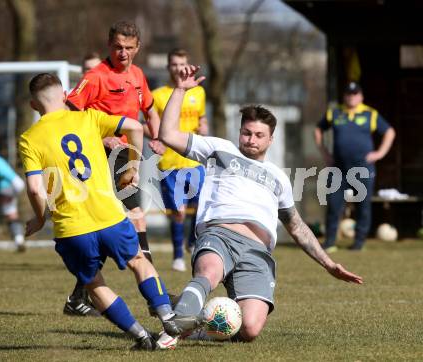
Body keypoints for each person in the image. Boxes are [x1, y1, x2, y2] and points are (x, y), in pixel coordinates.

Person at [160, 66, 363, 343]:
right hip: (218, 235)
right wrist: (181, 90)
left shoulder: (279, 177)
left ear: (270, 138)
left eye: (258, 135)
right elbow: (168, 133)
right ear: (239, 131)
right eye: (246, 133)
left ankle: (191, 320)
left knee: (250, 329)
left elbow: (297, 226)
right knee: (208, 271)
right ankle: (177, 322)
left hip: (257, 252)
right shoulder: (219, 149)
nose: (251, 140)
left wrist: (328, 264)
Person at [19, 73, 180, 350]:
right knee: (139, 261)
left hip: (72, 228)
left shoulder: (29, 138)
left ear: (34, 105)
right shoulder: (89, 118)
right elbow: (135, 127)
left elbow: (35, 189)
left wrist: (39, 217)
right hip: (110, 216)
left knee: (94, 284)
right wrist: (133, 168)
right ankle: (168, 317)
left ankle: (141, 336)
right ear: (67, 94)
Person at [65, 20, 164, 316]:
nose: (123, 53)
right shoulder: (96, 76)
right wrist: (99, 135)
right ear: (109, 46)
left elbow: (149, 107)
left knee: (134, 218)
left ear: (138, 48)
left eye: (129, 48)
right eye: (118, 47)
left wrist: (157, 139)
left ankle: (79, 297)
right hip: (101, 157)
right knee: (119, 221)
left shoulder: (137, 75)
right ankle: (153, 293)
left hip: (128, 156)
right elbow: (71, 111)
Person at [315, 81, 395, 252]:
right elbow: (318, 129)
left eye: (355, 94)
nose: (352, 97)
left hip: (362, 168)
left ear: (361, 96)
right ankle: (329, 242)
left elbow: (389, 131)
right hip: (339, 168)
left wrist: (379, 153)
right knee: (334, 204)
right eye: (349, 94)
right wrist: (324, 153)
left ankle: (359, 243)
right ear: (345, 96)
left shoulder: (370, 114)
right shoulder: (335, 113)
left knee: (363, 206)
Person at [152, 49, 207, 272]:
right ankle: (177, 256)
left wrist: (205, 129)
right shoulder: (158, 95)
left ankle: (192, 243)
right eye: (174, 64)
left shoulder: (199, 93)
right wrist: (156, 138)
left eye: (182, 63)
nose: (179, 68)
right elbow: (151, 124)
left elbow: (201, 120)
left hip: (194, 161)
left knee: (201, 207)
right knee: (179, 212)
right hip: (170, 163)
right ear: (168, 67)